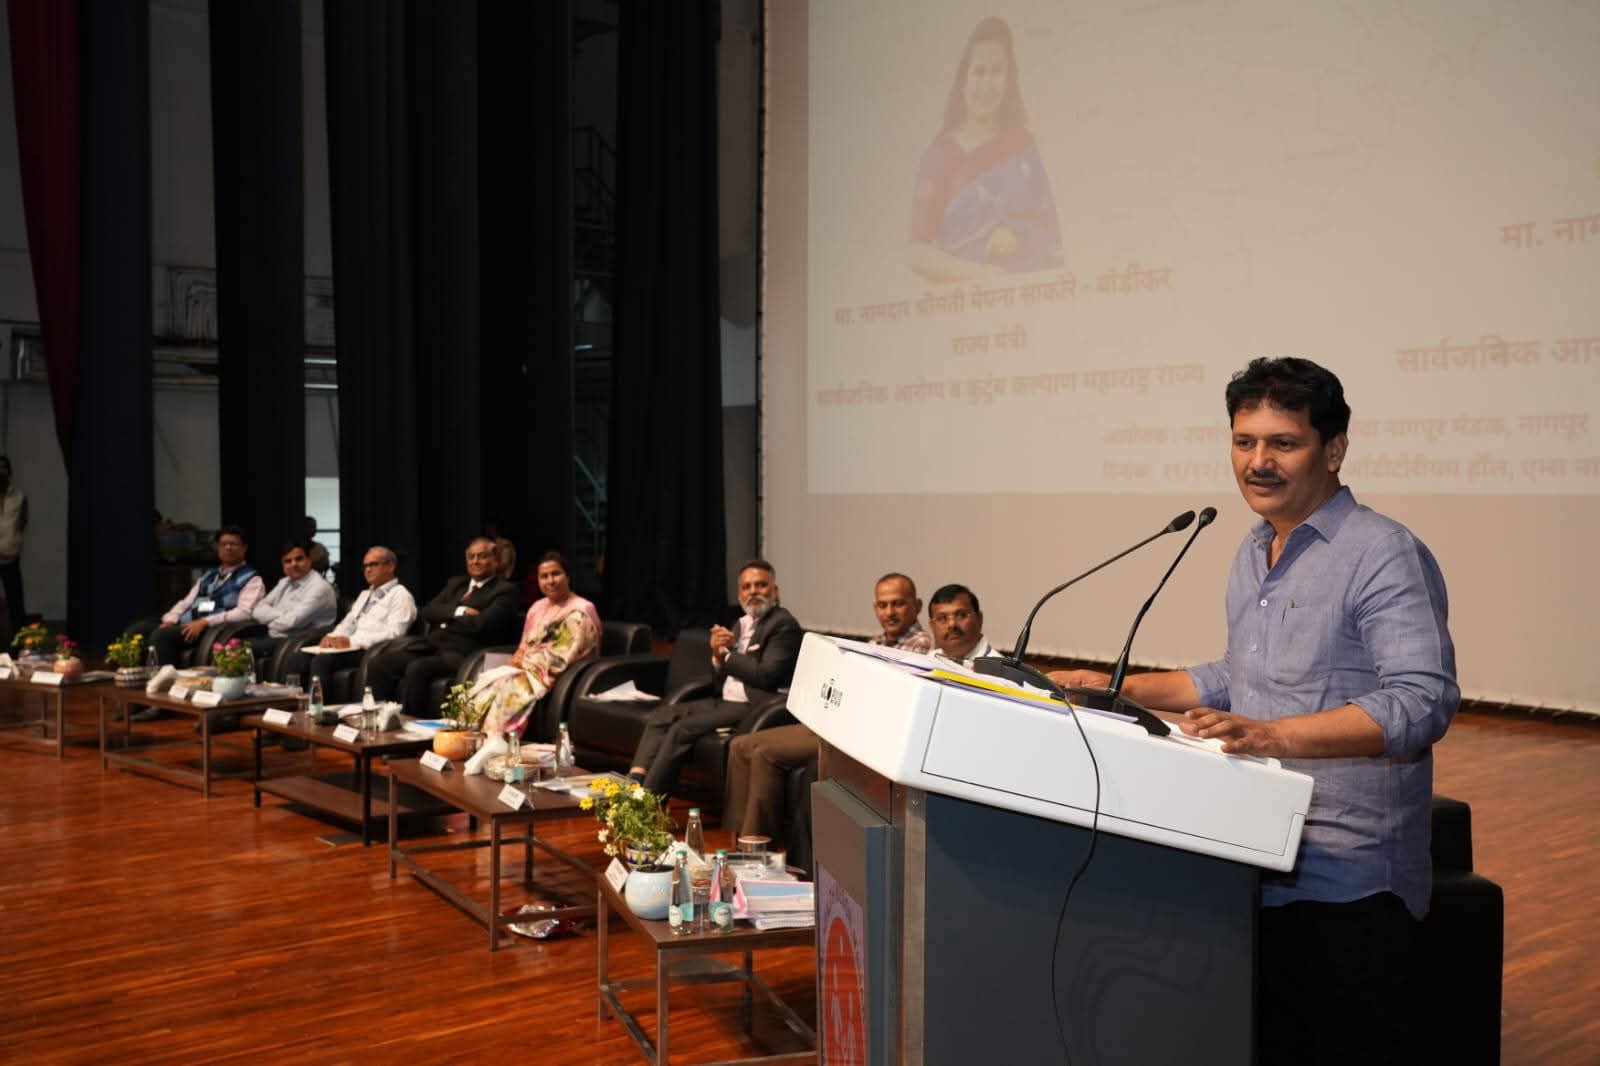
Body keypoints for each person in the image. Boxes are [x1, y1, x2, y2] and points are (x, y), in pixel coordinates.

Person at [1051, 357, 1457, 1066]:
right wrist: (1117, 687)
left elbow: (1422, 702)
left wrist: (1272, 734)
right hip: (1253, 854)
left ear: (1333, 450)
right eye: (1244, 442)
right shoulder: (1253, 549)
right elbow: (1242, 674)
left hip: (1348, 883)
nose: (1257, 462)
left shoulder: (1382, 553)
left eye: (1283, 443)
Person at [723, 573, 933, 837]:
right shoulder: (877, 642)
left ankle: (755, 845)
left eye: (898, 604)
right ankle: (736, 841)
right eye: (882, 605)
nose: (889, 612)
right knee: (740, 744)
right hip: (835, 722)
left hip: (856, 736)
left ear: (917, 605)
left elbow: (882, 704)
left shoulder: (918, 647)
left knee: (764, 752)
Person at [907, 16, 1063, 283]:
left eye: (996, 72)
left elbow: (1051, 234)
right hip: (965, 308)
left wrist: (1017, 235)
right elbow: (916, 253)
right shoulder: (942, 154)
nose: (987, 86)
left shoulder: (1022, 145)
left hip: (1029, 303)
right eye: (979, 72)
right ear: (963, 80)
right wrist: (980, 275)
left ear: (1008, 79)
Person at [628, 560, 803, 796]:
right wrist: (716, 657)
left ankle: (650, 800)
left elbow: (767, 675)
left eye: (760, 585)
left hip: (753, 704)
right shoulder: (740, 624)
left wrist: (727, 655)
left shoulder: (783, 625)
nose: (753, 591)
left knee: (682, 729)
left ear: (775, 591)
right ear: (739, 593)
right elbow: (721, 679)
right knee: (662, 715)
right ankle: (634, 781)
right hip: (725, 699)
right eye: (746, 587)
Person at [462, 551, 602, 774]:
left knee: (509, 684)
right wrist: (516, 658)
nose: (550, 581)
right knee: (487, 681)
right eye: (543, 576)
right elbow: (524, 646)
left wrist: (522, 666)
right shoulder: (537, 607)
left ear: (568, 576)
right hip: (530, 667)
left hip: (558, 672)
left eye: (555, 574)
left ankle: (499, 742)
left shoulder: (581, 610)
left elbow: (564, 655)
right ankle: (483, 744)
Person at [366, 537, 521, 714]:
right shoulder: (456, 584)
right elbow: (428, 610)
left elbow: (482, 624)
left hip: (463, 653)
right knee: (380, 663)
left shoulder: (505, 591)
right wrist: (460, 611)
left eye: (482, 556)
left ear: (495, 561)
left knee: (418, 668)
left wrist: (444, 618)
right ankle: (377, 719)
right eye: (471, 557)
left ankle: (411, 727)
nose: (475, 561)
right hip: (431, 646)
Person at [281, 546, 416, 698]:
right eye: (365, 566)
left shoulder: (401, 595)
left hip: (369, 651)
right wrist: (332, 637)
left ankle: (318, 711)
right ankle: (288, 707)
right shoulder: (365, 594)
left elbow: (395, 634)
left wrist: (351, 641)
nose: (368, 570)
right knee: (298, 657)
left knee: (322, 661)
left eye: (373, 564)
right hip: (349, 647)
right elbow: (348, 623)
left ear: (390, 566)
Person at [150, 526, 265, 667]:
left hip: (212, 630)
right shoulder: (209, 575)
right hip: (187, 623)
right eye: (223, 544)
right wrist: (170, 619)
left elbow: (245, 613)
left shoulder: (252, 579)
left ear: (244, 548)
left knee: (161, 637)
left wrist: (205, 621)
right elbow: (186, 602)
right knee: (141, 629)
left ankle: (165, 682)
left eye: (233, 544)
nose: (228, 548)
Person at [250, 540, 338, 659]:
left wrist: (269, 619)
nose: (293, 564)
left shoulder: (319, 587)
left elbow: (291, 622)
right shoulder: (284, 582)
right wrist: (284, 614)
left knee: (237, 648)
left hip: (297, 642)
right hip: (276, 638)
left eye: (299, 559)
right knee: (229, 645)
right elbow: (257, 610)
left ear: (309, 560)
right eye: (288, 561)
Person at [926, 583, 995, 666]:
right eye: (942, 618)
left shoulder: (999, 672)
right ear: (932, 626)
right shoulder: (926, 661)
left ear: (979, 619)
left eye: (961, 615)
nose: (952, 624)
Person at [0, 456, 28, 635]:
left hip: (10, 557)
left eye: (3, 468)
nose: (0, 471)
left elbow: (22, 523)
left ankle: (20, 641)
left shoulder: (19, 497)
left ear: (9, 472)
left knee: (15, 602)